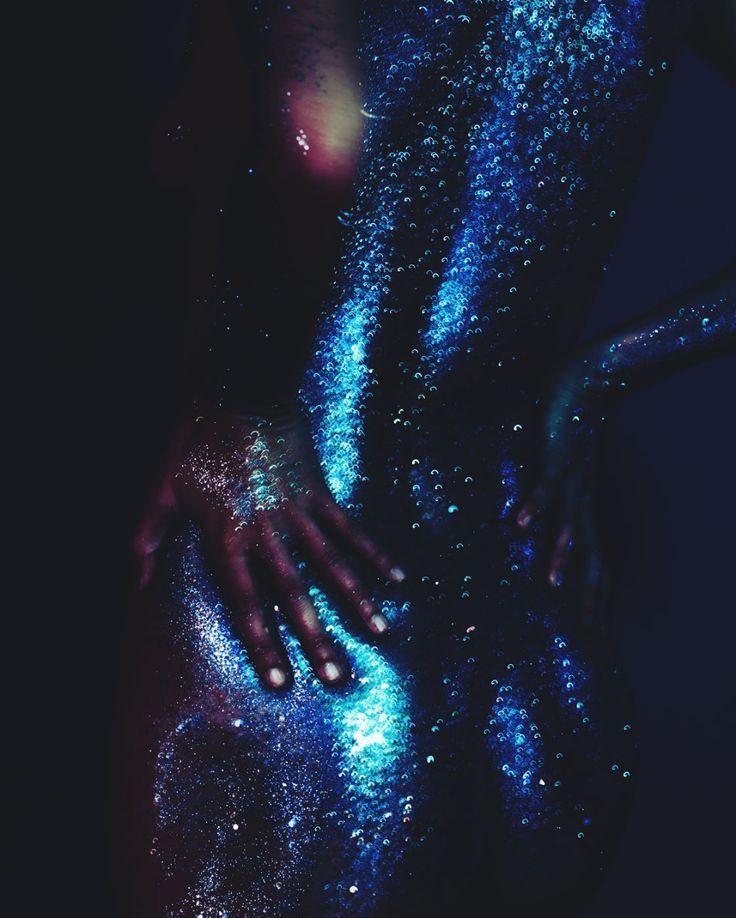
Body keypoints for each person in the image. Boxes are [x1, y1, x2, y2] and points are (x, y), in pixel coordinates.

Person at [127, 1, 735, 914]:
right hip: (542, 653)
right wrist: (601, 374)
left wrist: (239, 404)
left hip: (306, 614)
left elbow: (317, 132)